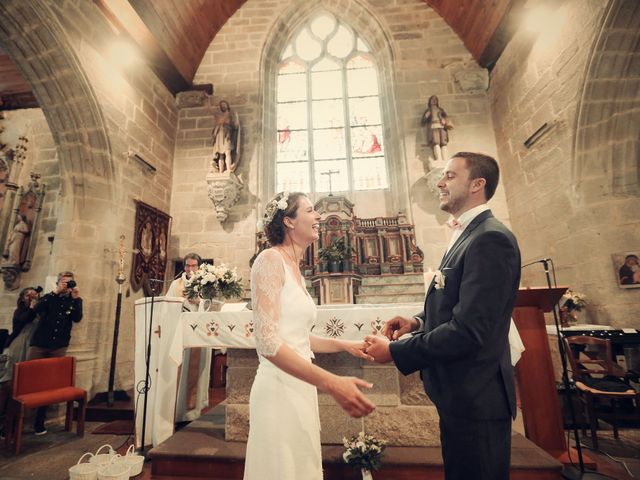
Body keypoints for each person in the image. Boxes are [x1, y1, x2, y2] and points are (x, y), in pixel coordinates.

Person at [365, 152, 521, 480]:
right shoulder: (468, 233)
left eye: (450, 176)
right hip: (461, 393)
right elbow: (457, 302)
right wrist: (417, 322)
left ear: (478, 184)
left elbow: (469, 330)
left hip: (477, 395)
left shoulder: (490, 238)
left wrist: (395, 351)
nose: (439, 182)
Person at [244, 191, 375, 480]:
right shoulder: (269, 261)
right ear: (289, 221)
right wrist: (332, 382)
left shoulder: (296, 269)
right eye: (310, 211)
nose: (317, 217)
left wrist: (345, 344)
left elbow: (297, 336)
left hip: (300, 384)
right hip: (278, 387)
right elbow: (268, 342)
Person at [28, 271, 83, 435]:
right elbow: (37, 309)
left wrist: (77, 299)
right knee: (29, 379)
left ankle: (39, 421)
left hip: (58, 345)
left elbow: (77, 318)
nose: (67, 285)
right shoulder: (49, 297)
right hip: (40, 344)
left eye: (70, 282)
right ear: (58, 283)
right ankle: (17, 420)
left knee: (49, 383)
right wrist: (55, 292)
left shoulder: (74, 300)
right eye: (64, 282)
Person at [166, 252, 211, 422]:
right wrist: (180, 301)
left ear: (199, 267)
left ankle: (193, 411)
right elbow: (168, 305)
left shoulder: (206, 282)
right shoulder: (175, 284)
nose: (190, 269)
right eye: (187, 265)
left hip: (199, 332)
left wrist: (199, 302)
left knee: (195, 371)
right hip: (180, 332)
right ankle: (177, 411)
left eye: (193, 266)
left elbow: (212, 305)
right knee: (179, 369)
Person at [0, 287, 41, 438]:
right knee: (10, 384)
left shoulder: (39, 310)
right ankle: (5, 424)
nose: (31, 296)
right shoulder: (20, 311)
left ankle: (20, 424)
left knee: (25, 386)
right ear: (22, 298)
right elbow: (25, 320)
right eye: (27, 294)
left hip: (32, 346)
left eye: (34, 294)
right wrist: (31, 307)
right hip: (19, 346)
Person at [211, 100, 240, 173]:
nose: (223, 106)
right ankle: (221, 171)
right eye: (221, 105)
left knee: (227, 152)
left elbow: (235, 125)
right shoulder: (220, 116)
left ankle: (229, 169)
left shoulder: (230, 115)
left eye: (224, 105)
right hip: (219, 136)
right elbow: (217, 125)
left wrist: (236, 123)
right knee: (221, 155)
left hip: (227, 135)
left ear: (227, 106)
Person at [421, 95, 452, 162]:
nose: (434, 101)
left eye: (436, 99)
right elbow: (423, 121)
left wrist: (444, 120)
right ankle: (439, 159)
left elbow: (445, 117)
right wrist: (426, 115)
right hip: (434, 126)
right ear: (430, 101)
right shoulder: (428, 110)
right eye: (432, 99)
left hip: (442, 126)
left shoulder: (440, 109)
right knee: (436, 142)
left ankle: (445, 159)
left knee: (443, 143)